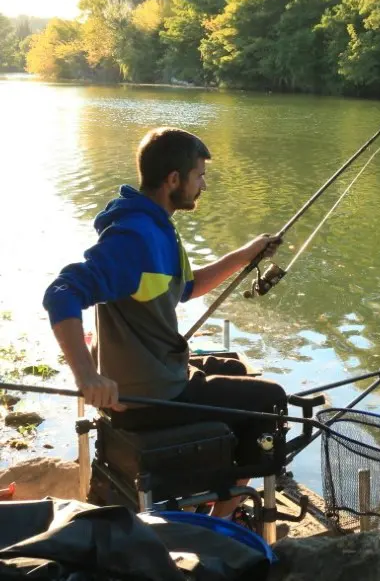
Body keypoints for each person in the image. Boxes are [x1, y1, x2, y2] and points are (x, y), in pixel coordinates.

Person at [43, 126, 287, 518]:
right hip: (150, 395)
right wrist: (86, 376)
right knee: (270, 399)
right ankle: (218, 522)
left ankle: (215, 491)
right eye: (199, 176)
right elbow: (62, 293)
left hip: (162, 373)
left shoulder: (155, 225)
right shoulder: (135, 237)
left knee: (235, 368)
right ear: (173, 179)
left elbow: (186, 287)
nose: (203, 185)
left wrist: (245, 254)